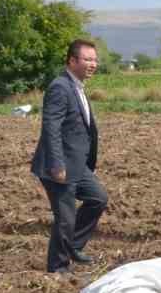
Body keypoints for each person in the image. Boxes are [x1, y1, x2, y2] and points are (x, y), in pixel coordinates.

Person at [31, 38, 108, 274]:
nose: (93, 64)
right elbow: (51, 127)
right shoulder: (60, 87)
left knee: (98, 198)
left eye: (94, 59)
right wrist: (57, 164)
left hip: (77, 164)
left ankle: (72, 246)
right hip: (59, 165)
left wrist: (88, 164)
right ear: (72, 60)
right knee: (65, 219)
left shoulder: (77, 87)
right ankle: (58, 268)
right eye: (87, 59)